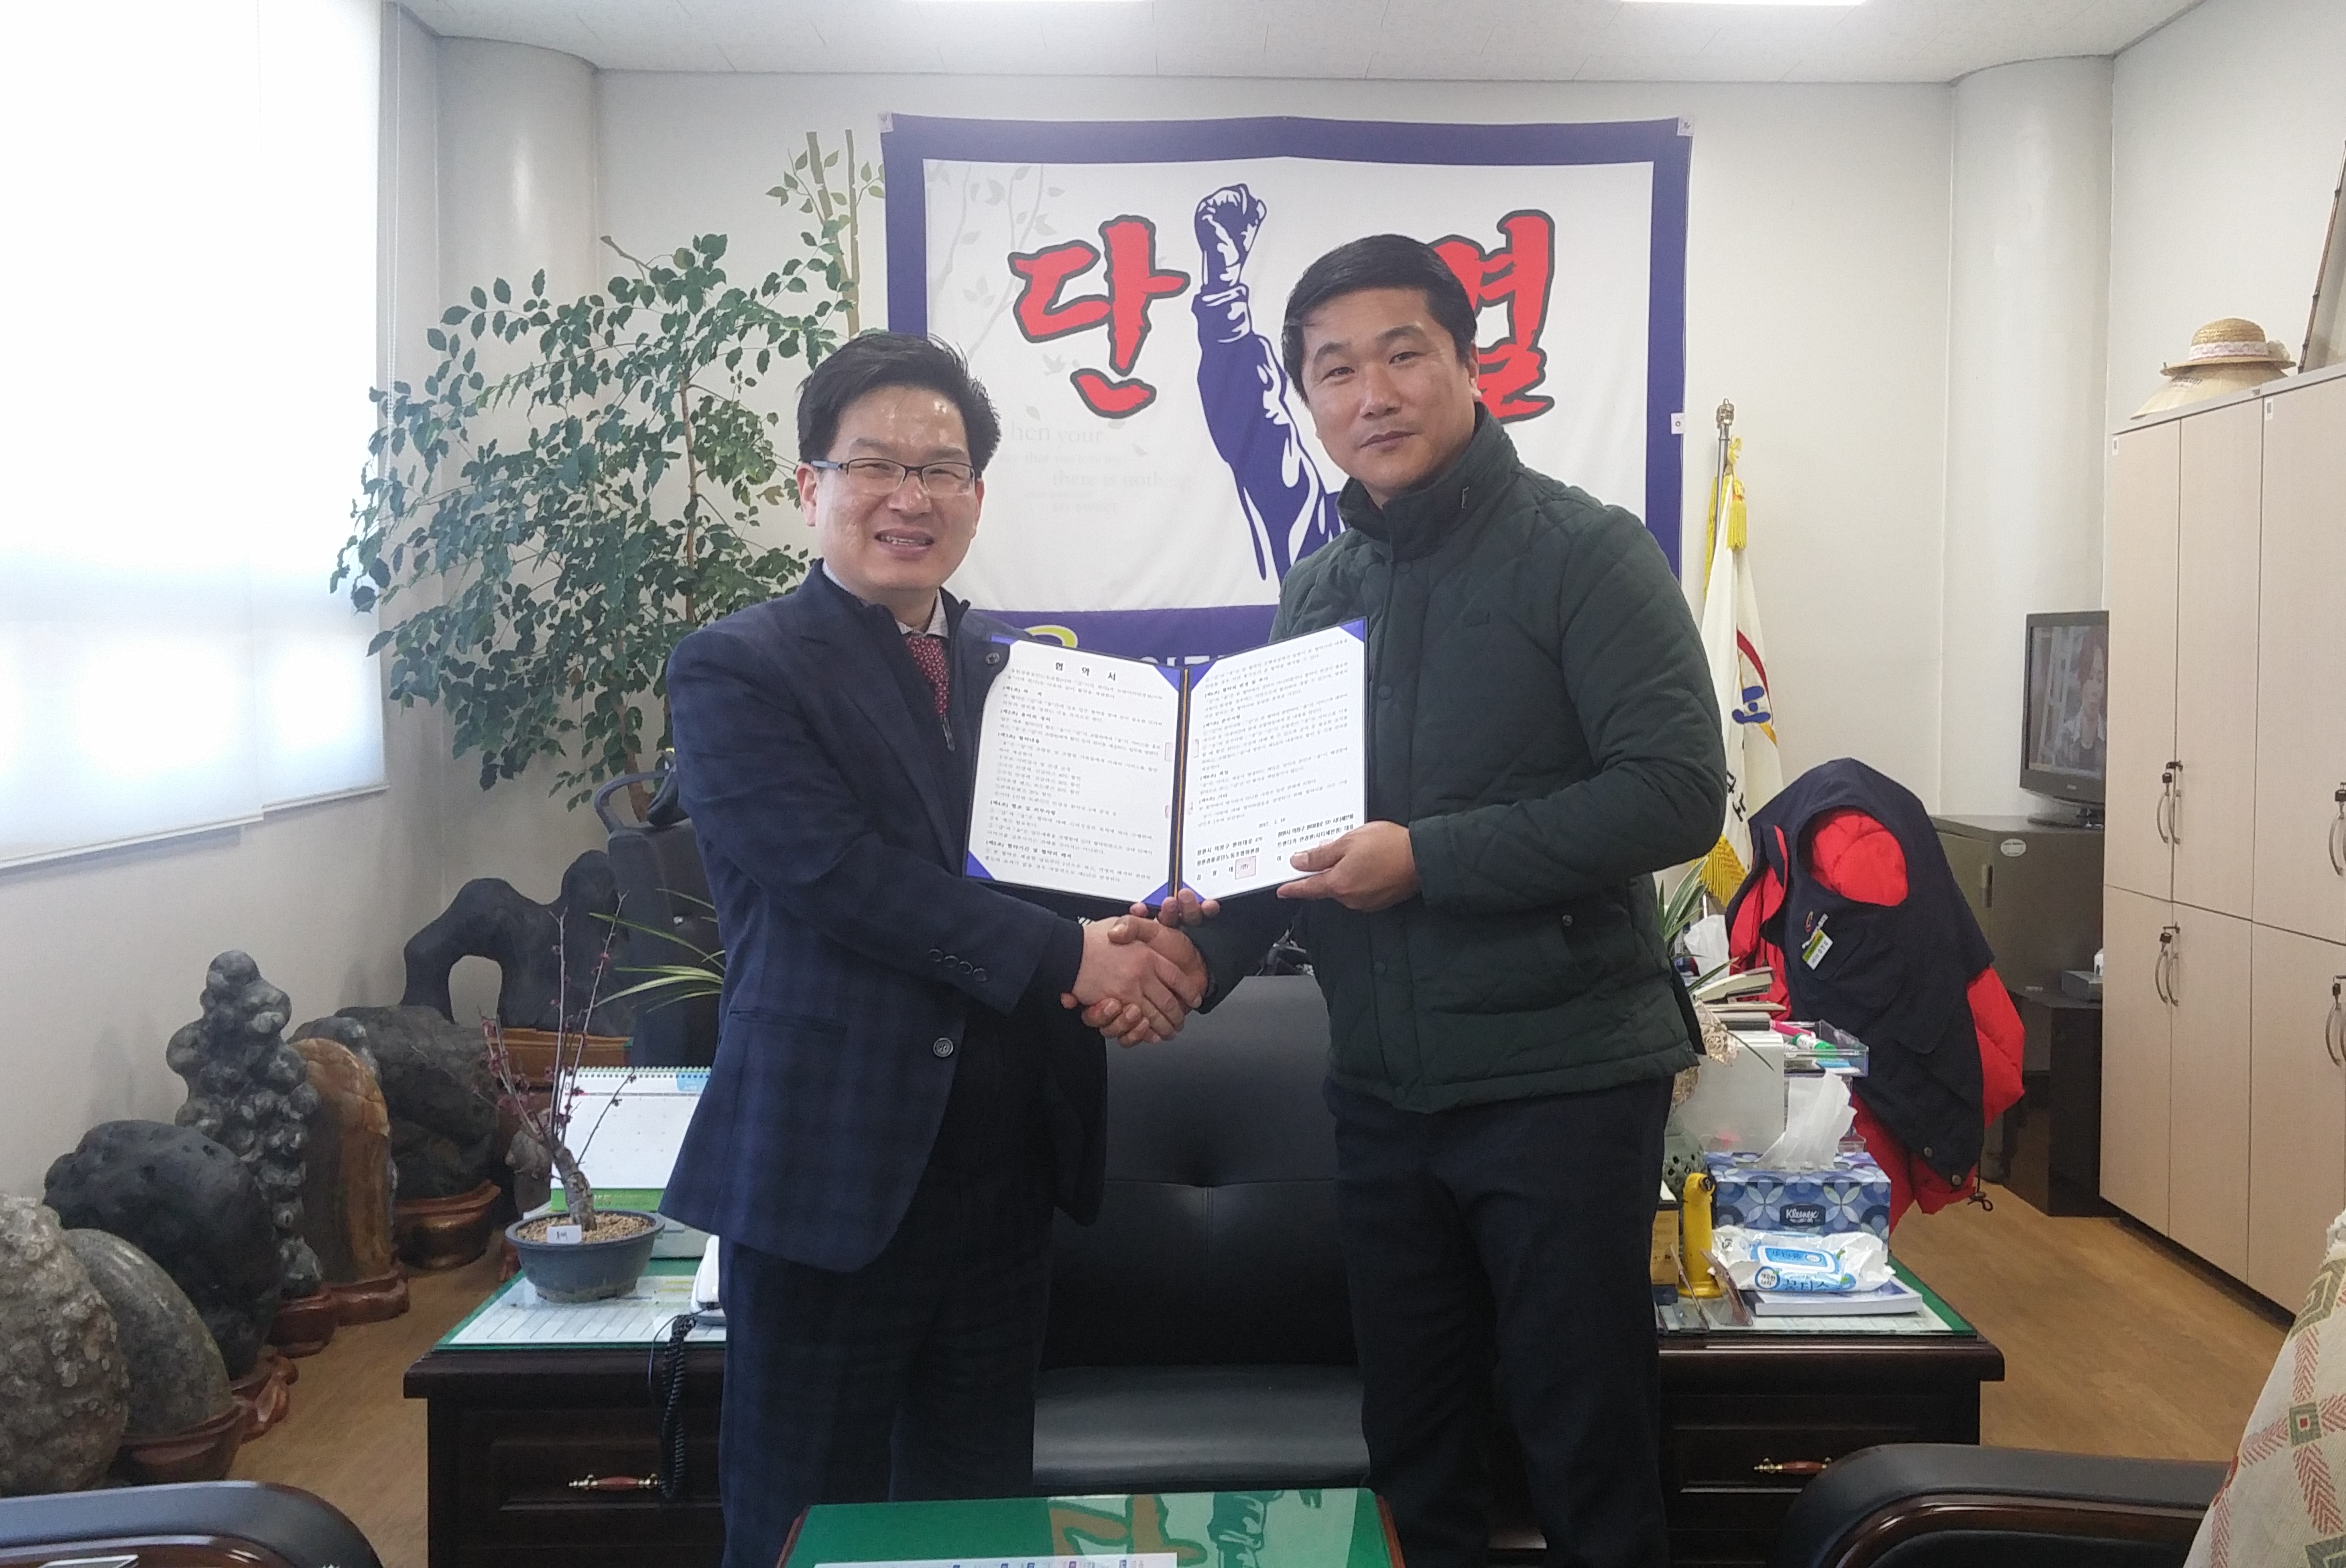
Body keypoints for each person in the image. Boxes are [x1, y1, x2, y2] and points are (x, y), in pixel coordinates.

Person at [1107, 236, 1725, 1568]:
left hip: (1561, 1085)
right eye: (1335, 370)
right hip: (1384, 1097)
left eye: (1403, 354)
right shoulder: (1323, 587)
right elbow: (1290, 835)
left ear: (1468, 363)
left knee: (1583, 1444)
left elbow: (1677, 794)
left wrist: (1427, 858)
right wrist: (1192, 958)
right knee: (1415, 1446)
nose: (1372, 393)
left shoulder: (1585, 551)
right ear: (1308, 400)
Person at [660, 332, 1207, 1567]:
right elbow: (839, 878)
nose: (909, 496)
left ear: (976, 495)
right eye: (874, 465)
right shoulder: (736, 668)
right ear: (811, 485)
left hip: (1003, 1179)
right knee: (805, 1525)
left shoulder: (1028, 675)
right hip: (829, 1172)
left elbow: (1081, 873)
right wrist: (1075, 958)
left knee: (976, 1521)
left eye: (941, 469)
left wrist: (1162, 927)